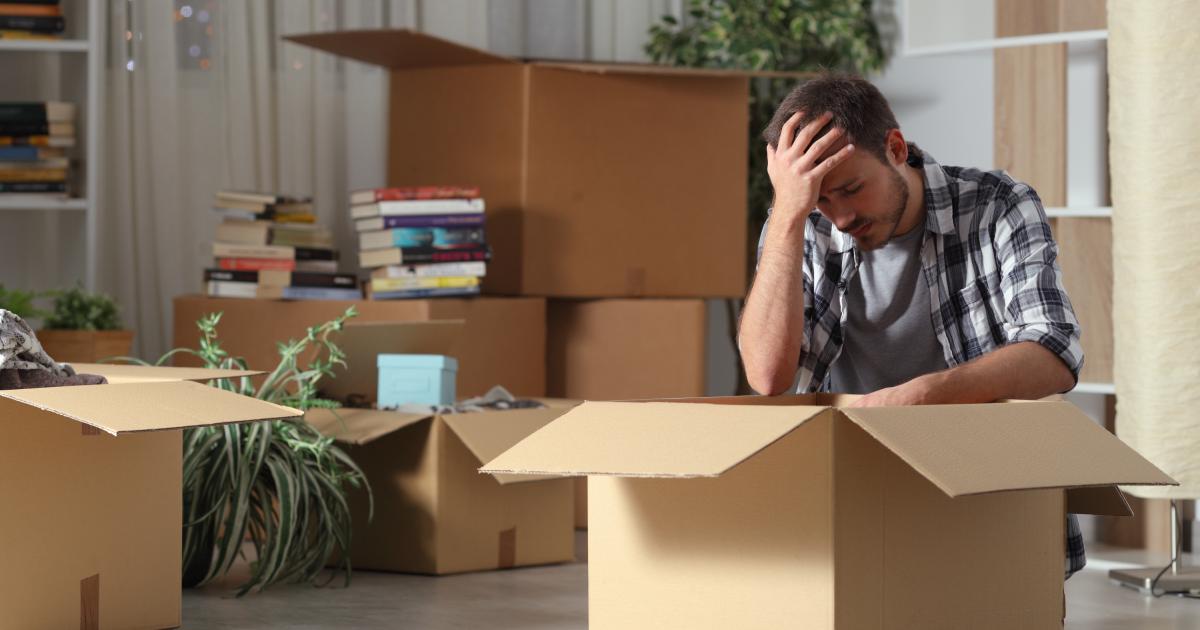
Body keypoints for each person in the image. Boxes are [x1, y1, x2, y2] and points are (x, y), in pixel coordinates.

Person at [736, 73, 1086, 579]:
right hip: (851, 492)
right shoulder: (803, 224)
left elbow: (1054, 349)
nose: (840, 218)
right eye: (820, 202)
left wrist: (926, 395)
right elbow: (767, 376)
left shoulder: (996, 205)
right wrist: (789, 216)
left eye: (851, 189)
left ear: (896, 148)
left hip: (983, 491)